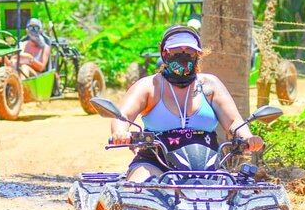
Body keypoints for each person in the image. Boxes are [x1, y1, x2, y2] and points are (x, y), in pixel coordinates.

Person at [111, 25, 264, 182]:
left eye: (189, 52)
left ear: (197, 54)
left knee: (235, 195)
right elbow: (122, 116)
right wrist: (121, 132)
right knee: (139, 190)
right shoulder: (149, 86)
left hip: (208, 165)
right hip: (155, 163)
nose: (183, 56)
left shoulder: (210, 85)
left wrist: (247, 137)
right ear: (164, 53)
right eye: (176, 52)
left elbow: (233, 121)